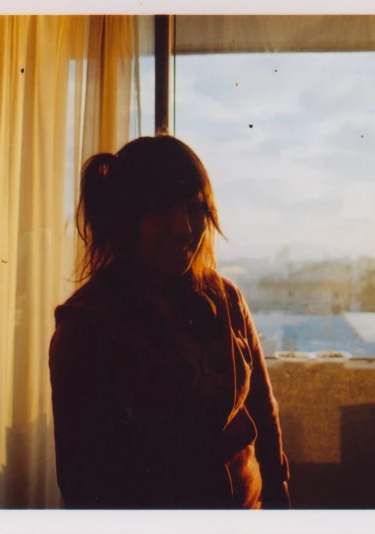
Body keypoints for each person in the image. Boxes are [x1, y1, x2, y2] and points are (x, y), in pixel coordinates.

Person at [49, 135, 290, 509]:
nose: (184, 228)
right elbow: (86, 483)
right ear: (125, 219)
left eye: (194, 207)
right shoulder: (86, 329)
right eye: (161, 209)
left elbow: (262, 412)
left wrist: (279, 505)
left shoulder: (226, 299)